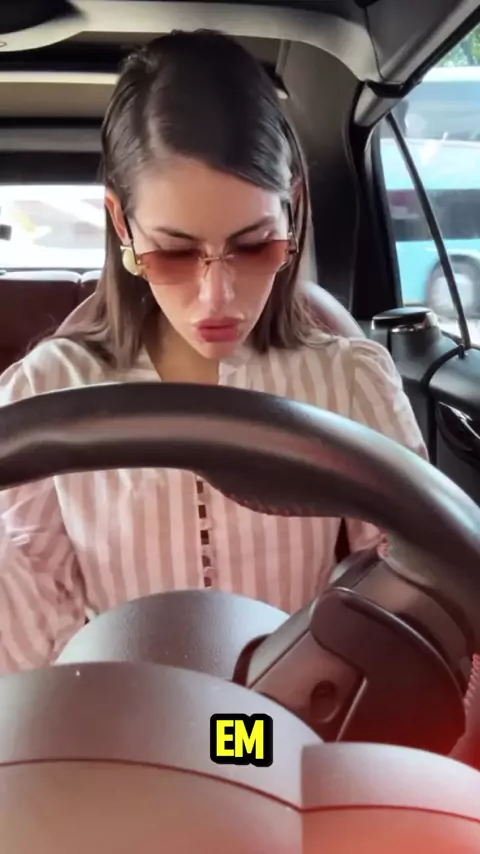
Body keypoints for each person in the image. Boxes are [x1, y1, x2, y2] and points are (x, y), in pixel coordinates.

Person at [0, 29, 426, 672]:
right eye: (174, 252)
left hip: (293, 715)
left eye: (254, 245)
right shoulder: (44, 399)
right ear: (121, 223)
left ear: (292, 210)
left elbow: (411, 586)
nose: (217, 297)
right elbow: (30, 649)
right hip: (122, 716)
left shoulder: (350, 380)